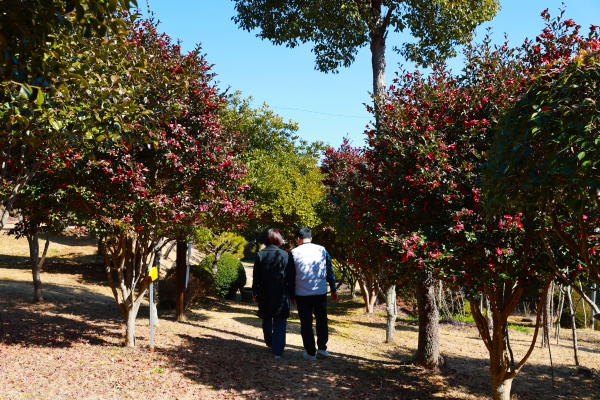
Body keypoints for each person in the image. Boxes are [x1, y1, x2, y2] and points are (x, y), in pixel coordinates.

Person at [289, 227, 338, 361]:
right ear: (310, 238)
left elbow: (291, 276)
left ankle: (311, 352)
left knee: (306, 322)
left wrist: (292, 295)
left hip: (302, 292)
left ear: (298, 239)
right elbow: (330, 271)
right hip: (320, 291)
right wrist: (333, 289)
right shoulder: (322, 250)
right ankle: (322, 348)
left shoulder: (293, 252)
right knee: (322, 319)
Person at [252, 228, 295, 360]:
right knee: (280, 321)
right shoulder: (285, 255)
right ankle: (278, 350)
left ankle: (270, 342)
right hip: (281, 293)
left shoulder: (260, 255)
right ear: (278, 239)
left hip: (265, 292)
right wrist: (293, 295)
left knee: (266, 318)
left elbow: (256, 277)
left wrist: (255, 292)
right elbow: (290, 277)